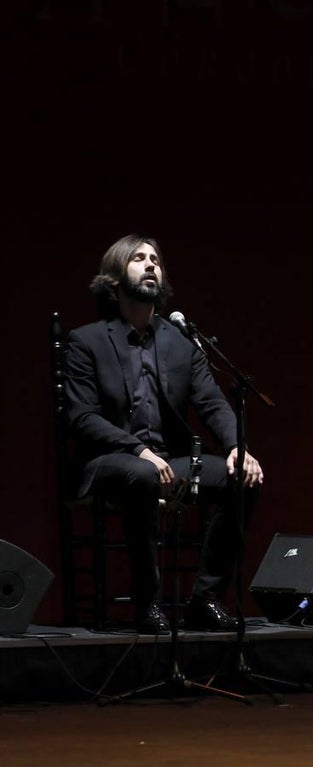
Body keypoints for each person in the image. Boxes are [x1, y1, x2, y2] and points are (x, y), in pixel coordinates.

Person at [63, 233, 265, 634]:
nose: (151, 264)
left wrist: (237, 447)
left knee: (242, 478)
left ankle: (205, 599)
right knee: (143, 474)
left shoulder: (181, 343)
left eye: (155, 259)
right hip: (111, 458)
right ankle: (147, 603)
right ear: (116, 278)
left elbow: (211, 403)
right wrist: (138, 450)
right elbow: (82, 417)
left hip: (169, 459)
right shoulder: (86, 341)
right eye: (138, 259)